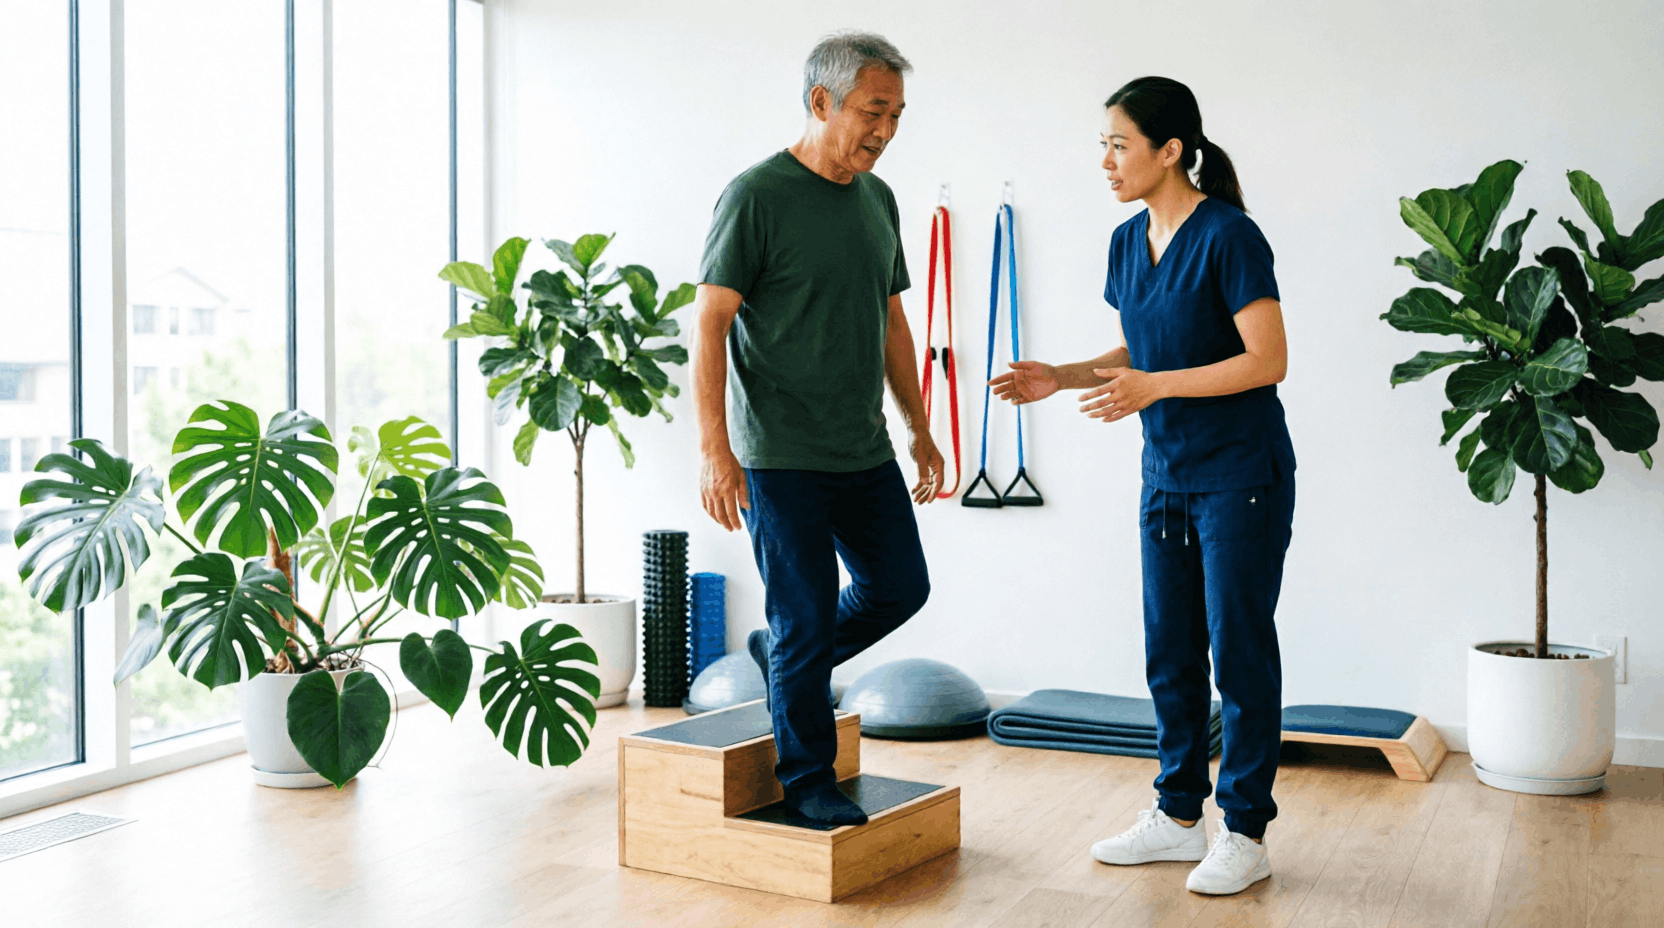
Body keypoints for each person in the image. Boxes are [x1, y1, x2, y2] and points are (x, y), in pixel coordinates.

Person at [989, 76, 1295, 895]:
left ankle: (1245, 832)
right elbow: (1141, 350)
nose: (1106, 161)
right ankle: (1179, 815)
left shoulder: (1230, 236)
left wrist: (1155, 387)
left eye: (1119, 145)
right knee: (1171, 652)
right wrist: (1062, 375)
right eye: (1104, 145)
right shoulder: (1128, 242)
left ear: (1170, 151)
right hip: (1166, 476)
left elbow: (1267, 359)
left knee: (1239, 653)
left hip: (1240, 475)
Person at [692, 31, 943, 828]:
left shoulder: (878, 200)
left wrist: (919, 428)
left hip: (861, 446)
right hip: (778, 453)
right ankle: (807, 781)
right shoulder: (755, 196)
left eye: (897, 115)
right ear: (821, 101)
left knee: (900, 587)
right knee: (805, 613)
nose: (885, 130)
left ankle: (785, 659)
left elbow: (892, 322)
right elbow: (709, 325)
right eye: (874, 111)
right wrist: (716, 452)